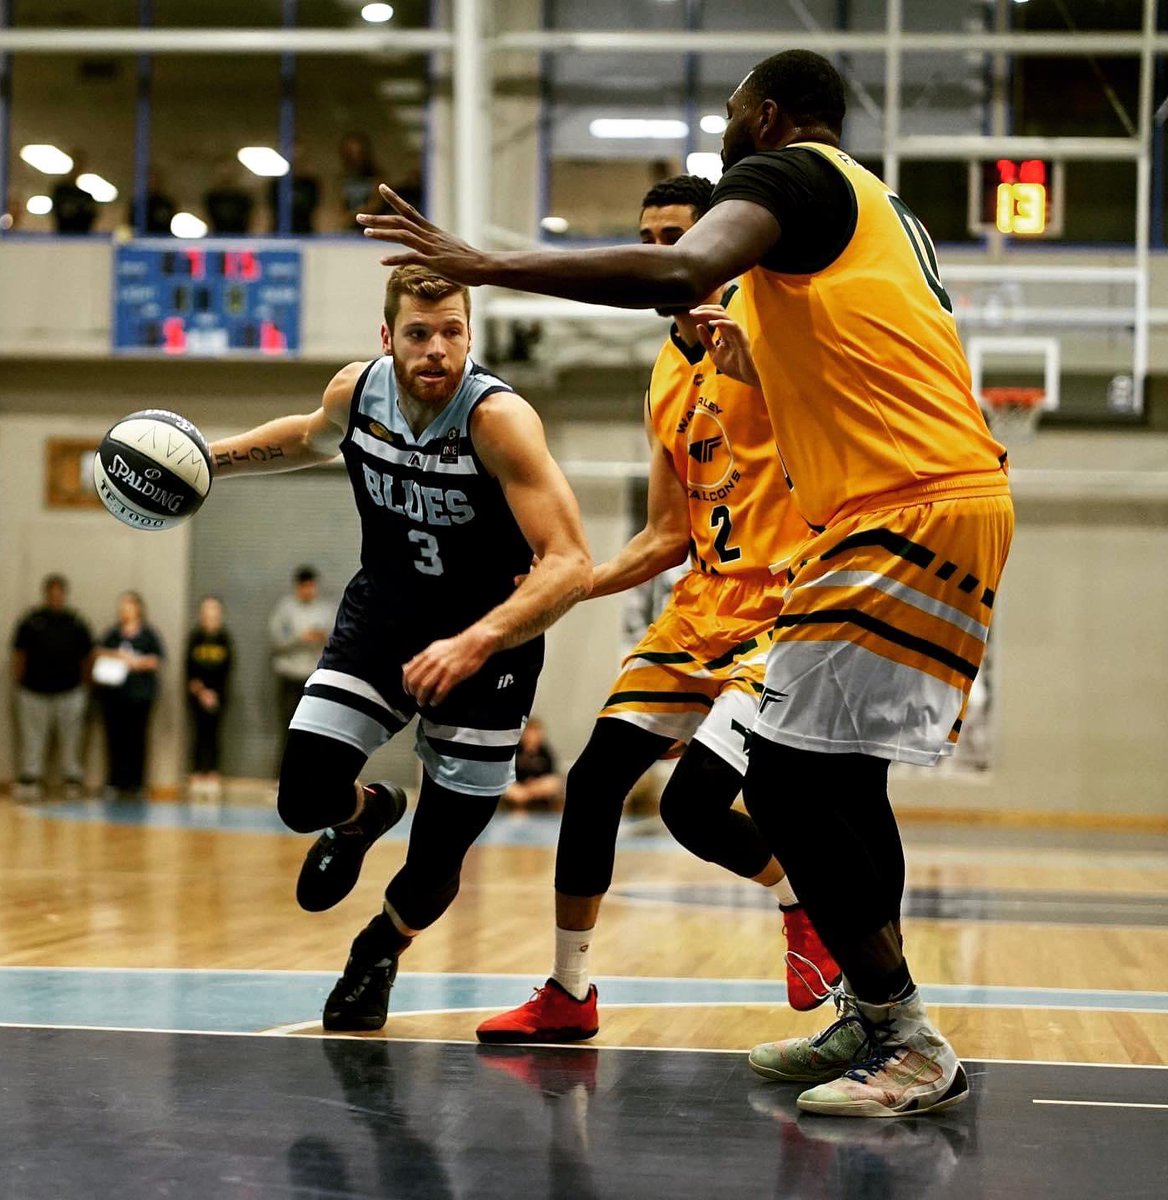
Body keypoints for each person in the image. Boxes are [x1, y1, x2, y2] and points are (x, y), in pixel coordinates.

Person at [357, 50, 1014, 1118]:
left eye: (724, 118)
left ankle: (906, 1036)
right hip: (916, 504)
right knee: (832, 782)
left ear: (763, 116)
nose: (719, 138)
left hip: (905, 507)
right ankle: (873, 1010)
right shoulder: (863, 214)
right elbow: (838, 356)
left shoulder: (794, 175)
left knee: (787, 780)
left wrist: (484, 265)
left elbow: (677, 273)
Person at [476, 176, 836, 1046]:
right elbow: (665, 535)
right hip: (701, 604)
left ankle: (806, 905)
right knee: (595, 780)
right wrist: (567, 585)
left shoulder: (776, 327)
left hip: (785, 610)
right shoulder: (667, 374)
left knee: (692, 809)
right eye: (646, 239)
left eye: (676, 237)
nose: (659, 255)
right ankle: (569, 992)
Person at [206, 264, 591, 1032]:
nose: (437, 350)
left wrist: (478, 639)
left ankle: (379, 948)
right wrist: (207, 460)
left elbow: (572, 561)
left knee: (437, 862)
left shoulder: (497, 420)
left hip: (491, 647)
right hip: (385, 616)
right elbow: (309, 437)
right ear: (388, 339)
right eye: (419, 333)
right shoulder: (359, 392)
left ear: (470, 336)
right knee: (302, 794)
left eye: (453, 332)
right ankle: (362, 812)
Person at [10, 574, 94, 800]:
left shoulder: (75, 622)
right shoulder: (31, 620)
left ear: (64, 595)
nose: (56, 597)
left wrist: (85, 684)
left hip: (70, 690)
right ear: (46, 594)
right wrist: (20, 681)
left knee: (71, 738)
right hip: (34, 690)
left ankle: (72, 780)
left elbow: (88, 656)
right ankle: (31, 778)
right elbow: (19, 653)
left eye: (60, 593)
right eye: (52, 593)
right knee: (33, 738)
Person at [95, 591, 163, 800]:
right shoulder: (113, 633)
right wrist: (118, 656)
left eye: (129, 605)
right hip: (114, 697)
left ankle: (137, 784)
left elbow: (156, 660)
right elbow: (98, 651)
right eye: (122, 605)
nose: (124, 609)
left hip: (140, 697)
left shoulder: (148, 635)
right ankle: (115, 782)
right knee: (115, 740)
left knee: (137, 740)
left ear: (138, 609)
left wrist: (135, 662)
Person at [268, 567, 336, 753]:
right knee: (288, 726)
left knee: (314, 728)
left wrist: (321, 637)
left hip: (313, 677)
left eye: (311, 586)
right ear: (298, 587)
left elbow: (337, 640)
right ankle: (283, 773)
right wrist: (300, 637)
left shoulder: (325, 610)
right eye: (304, 586)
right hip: (289, 675)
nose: (308, 590)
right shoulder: (285, 608)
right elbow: (275, 641)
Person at [185, 595, 234, 799]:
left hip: (218, 695)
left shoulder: (224, 638)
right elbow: (188, 668)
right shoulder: (195, 637)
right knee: (199, 733)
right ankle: (197, 773)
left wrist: (215, 694)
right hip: (198, 695)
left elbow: (228, 668)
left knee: (214, 734)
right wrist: (200, 691)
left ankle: (213, 773)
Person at [502, 717, 563, 809]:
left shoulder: (545, 752)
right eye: (530, 732)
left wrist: (534, 786)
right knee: (509, 788)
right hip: (518, 787)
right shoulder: (515, 751)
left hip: (536, 787)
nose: (532, 736)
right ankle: (521, 803)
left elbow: (551, 775)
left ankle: (525, 798)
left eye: (536, 733)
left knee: (554, 783)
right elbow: (506, 774)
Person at [338, 133, 382, 230]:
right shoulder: (342, 179)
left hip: (372, 227)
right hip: (348, 230)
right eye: (350, 153)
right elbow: (338, 207)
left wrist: (354, 215)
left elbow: (376, 204)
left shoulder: (377, 177)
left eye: (358, 152)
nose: (355, 157)